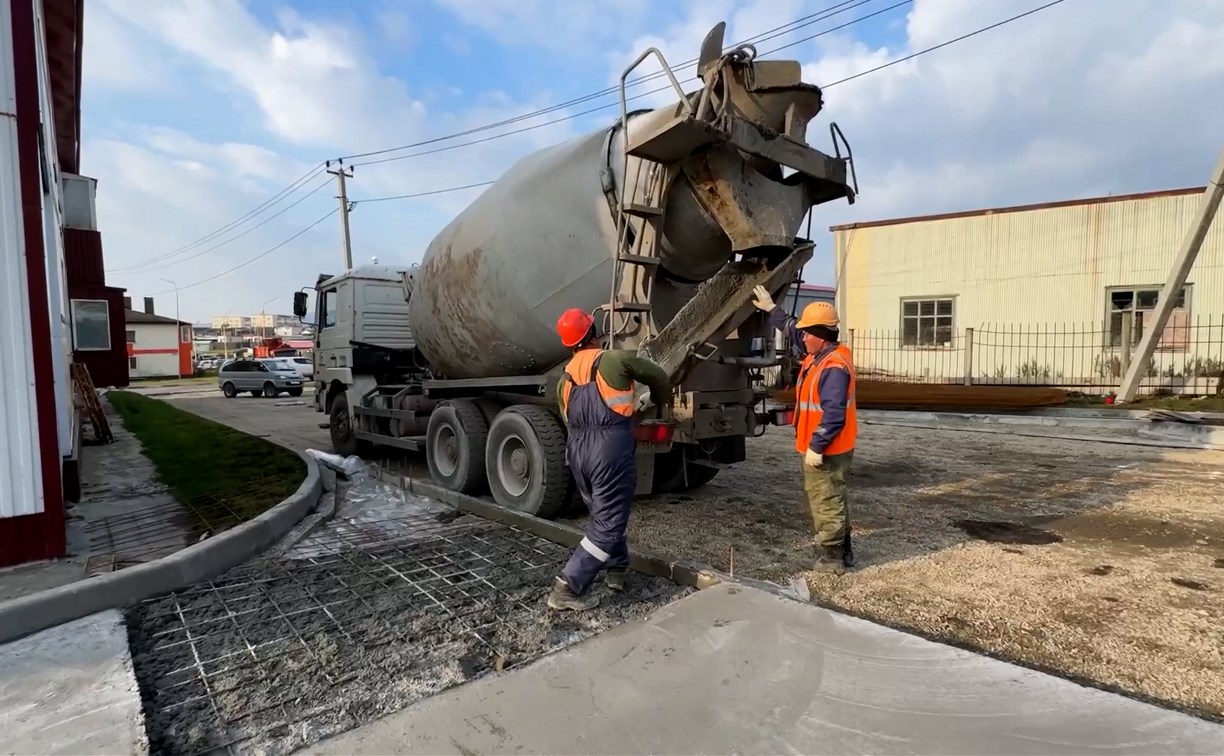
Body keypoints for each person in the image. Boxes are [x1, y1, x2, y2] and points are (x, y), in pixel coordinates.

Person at [546, 307, 672, 611]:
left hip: (578, 450)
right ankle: (568, 585)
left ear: (569, 343)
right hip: (610, 448)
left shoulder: (563, 380)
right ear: (593, 333)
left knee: (602, 515)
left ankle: (616, 568)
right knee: (609, 522)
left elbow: (568, 420)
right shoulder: (613, 359)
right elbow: (658, 375)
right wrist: (658, 399)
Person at [751, 285, 857, 573]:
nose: (802, 337)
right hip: (831, 446)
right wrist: (772, 309)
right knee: (834, 495)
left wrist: (816, 447)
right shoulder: (821, 354)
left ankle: (832, 558)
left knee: (826, 499)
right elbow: (792, 329)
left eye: (808, 333)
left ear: (821, 336)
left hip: (828, 448)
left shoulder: (833, 368)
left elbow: (834, 414)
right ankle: (844, 551)